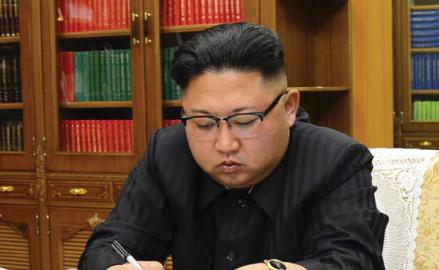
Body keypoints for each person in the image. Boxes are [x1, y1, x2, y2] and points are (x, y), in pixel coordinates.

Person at [79, 22, 388, 270]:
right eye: (203, 124)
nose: (225, 144)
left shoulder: (335, 159)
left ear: (289, 107)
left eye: (244, 121)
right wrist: (114, 266)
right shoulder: (168, 152)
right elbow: (110, 242)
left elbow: (355, 259)